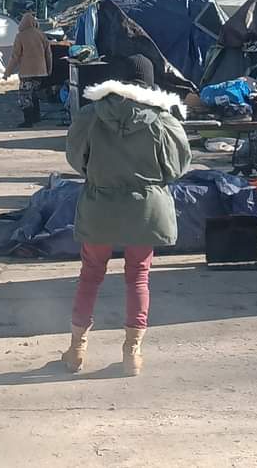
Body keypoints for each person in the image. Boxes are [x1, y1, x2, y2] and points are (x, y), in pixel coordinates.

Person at [61, 54, 192, 376]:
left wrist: (100, 175)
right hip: (145, 209)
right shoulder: (163, 118)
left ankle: (76, 349)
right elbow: (176, 167)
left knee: (90, 274)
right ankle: (131, 354)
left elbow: (76, 158)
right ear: (149, 83)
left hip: (100, 205)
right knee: (138, 275)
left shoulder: (90, 114)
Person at [5, 11, 53, 128]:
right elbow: (49, 54)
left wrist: (7, 72)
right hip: (41, 72)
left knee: (25, 96)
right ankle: (36, 117)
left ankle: (28, 121)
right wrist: (49, 69)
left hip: (26, 73)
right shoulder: (41, 34)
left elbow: (15, 56)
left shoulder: (20, 36)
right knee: (35, 94)